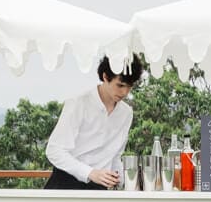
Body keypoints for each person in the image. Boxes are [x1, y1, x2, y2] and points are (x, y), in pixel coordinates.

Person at [44, 56, 143, 189]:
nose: (125, 92)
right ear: (105, 77)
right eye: (120, 85)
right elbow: (54, 150)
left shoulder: (126, 113)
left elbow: (115, 157)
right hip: (65, 183)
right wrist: (90, 173)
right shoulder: (79, 103)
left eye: (129, 87)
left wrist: (132, 184)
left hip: (99, 188)